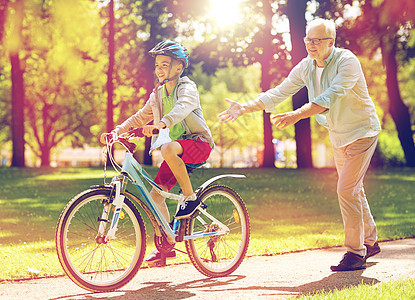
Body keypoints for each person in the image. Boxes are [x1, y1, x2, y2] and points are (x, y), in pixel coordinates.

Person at [218, 18, 381, 272]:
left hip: (362, 132)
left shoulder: (347, 62)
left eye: (317, 40)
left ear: (331, 42)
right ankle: (369, 242)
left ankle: (356, 252)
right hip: (339, 135)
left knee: (346, 190)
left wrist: (295, 115)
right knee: (353, 189)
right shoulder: (306, 66)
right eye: (308, 39)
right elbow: (279, 92)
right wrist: (246, 107)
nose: (311, 44)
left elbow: (329, 97)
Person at [101, 40, 214, 264]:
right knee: (155, 196)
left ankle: (190, 199)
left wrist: (162, 124)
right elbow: (140, 116)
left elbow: (183, 108)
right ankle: (167, 246)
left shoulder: (187, 87)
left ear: (178, 67)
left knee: (167, 147)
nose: (159, 69)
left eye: (165, 64)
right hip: (176, 152)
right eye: (157, 65)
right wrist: (117, 131)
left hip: (198, 144)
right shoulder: (158, 94)